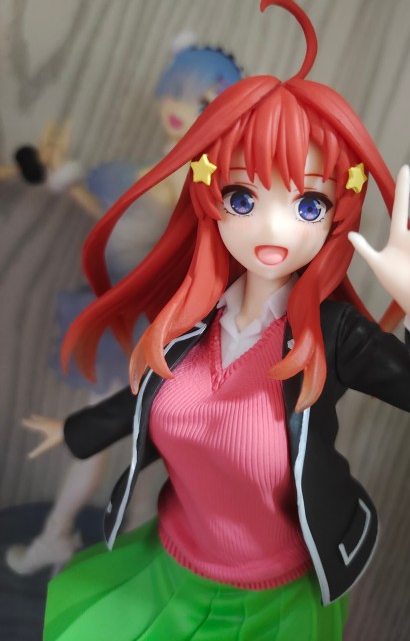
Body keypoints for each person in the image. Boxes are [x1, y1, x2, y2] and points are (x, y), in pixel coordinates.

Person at [25, 0, 410, 641]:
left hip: (273, 600)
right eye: (244, 197)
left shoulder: (331, 337)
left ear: (337, 214)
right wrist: (75, 430)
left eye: (308, 205)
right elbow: (148, 397)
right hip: (168, 565)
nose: (273, 229)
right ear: (210, 199)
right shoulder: (191, 316)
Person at [6, 40, 242, 575]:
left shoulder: (197, 185)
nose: (179, 107)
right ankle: (72, 540)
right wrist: (62, 180)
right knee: (116, 439)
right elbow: (110, 218)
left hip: (147, 330)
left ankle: (74, 542)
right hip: (116, 315)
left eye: (202, 101)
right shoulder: (146, 171)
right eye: (177, 90)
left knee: (128, 442)